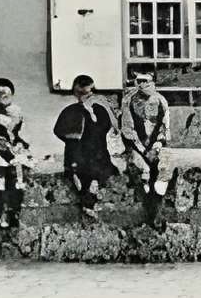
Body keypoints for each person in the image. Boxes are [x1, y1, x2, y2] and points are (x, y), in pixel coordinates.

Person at [0, 78, 34, 249]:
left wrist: (20, 144)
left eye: (6, 94)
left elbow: (24, 134)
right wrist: (1, 146)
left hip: (14, 160)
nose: (2, 97)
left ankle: (13, 229)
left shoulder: (17, 112)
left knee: (15, 192)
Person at [53, 75, 118, 215]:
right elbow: (59, 131)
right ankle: (87, 201)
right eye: (81, 94)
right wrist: (74, 137)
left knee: (98, 172)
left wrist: (92, 115)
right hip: (77, 154)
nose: (85, 97)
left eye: (88, 93)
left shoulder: (100, 110)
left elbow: (106, 128)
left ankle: (91, 195)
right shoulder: (71, 111)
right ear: (76, 94)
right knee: (79, 175)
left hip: (97, 154)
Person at [120, 66, 173, 226]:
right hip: (136, 147)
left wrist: (156, 145)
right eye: (139, 81)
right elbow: (127, 129)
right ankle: (145, 212)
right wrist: (142, 149)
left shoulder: (161, 101)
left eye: (146, 81)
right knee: (144, 172)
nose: (142, 85)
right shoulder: (128, 101)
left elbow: (165, 126)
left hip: (156, 146)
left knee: (163, 173)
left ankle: (157, 211)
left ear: (153, 82)